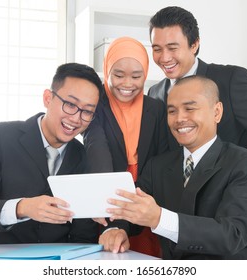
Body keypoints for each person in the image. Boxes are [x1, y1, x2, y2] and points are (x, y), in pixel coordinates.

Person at [147, 6, 247, 240]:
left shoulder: (230, 81)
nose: (164, 58)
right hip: (170, 226)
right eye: (157, 49)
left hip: (224, 219)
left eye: (173, 48)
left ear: (194, 44)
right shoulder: (155, 93)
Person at [99, 76, 247, 259]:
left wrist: (159, 218)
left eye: (190, 108)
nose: (179, 118)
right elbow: (132, 205)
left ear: (217, 112)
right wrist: (117, 229)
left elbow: (232, 235)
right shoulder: (158, 166)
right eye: (172, 111)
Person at [0, 63, 103, 245]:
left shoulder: (84, 156)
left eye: (87, 111)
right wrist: (22, 207)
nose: (76, 118)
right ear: (47, 98)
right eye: (70, 104)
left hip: (56, 266)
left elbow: (84, 234)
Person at [83, 37, 169, 257]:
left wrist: (139, 206)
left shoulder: (156, 109)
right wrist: (115, 221)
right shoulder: (96, 105)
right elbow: (98, 153)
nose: (127, 84)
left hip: (147, 199)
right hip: (108, 202)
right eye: (118, 75)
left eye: (136, 76)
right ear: (107, 70)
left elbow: (161, 161)